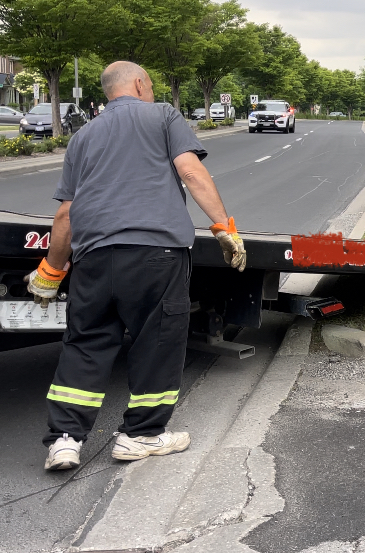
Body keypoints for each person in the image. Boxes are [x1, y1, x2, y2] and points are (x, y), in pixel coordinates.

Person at [29, 61, 246, 472]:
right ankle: (141, 435)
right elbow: (191, 172)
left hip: (93, 257)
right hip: (155, 253)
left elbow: (66, 216)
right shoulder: (163, 114)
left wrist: (51, 272)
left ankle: (64, 440)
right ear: (141, 84)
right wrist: (224, 228)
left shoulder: (83, 136)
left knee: (85, 343)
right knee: (157, 340)